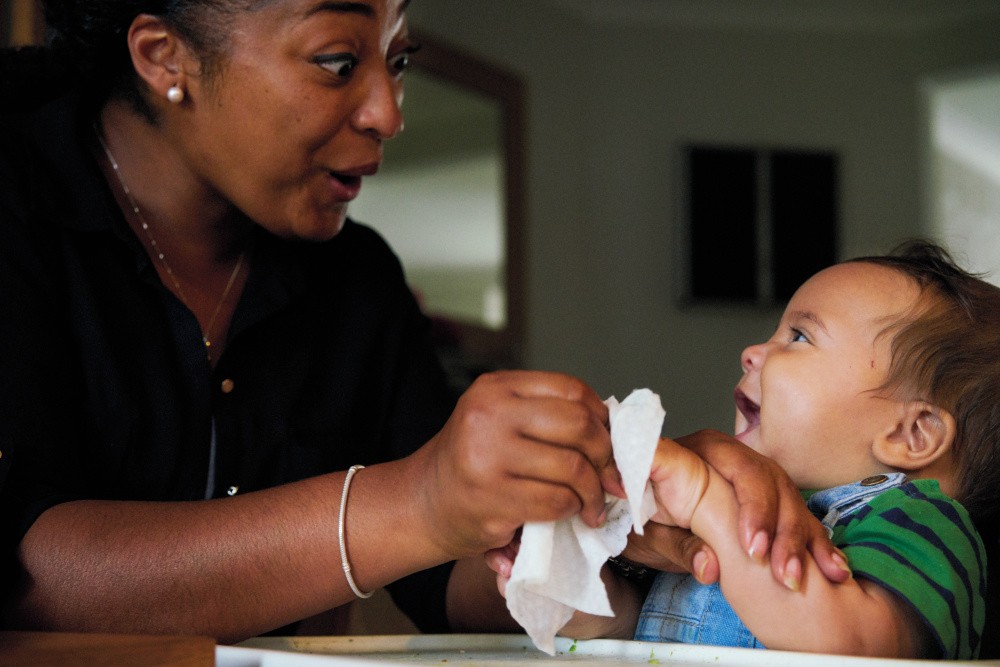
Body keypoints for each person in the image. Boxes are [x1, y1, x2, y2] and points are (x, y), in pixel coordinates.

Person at [0, 0, 844, 643]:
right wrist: (412, 500)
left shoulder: (356, 281)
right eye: (338, 62)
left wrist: (602, 510)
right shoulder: (17, 209)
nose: (389, 112)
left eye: (397, 60)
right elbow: (27, 577)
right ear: (164, 56)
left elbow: (451, 577)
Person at [545, 241, 996, 659]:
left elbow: (851, 644)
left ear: (911, 435)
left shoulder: (925, 528)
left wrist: (706, 500)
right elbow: (662, 631)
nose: (751, 352)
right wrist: (583, 597)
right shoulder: (729, 511)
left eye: (799, 337)